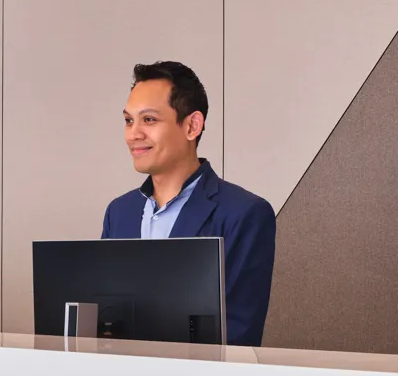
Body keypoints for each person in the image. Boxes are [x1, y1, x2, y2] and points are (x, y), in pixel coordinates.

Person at [100, 61, 276, 346]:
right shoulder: (119, 213)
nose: (133, 134)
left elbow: (238, 334)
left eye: (149, 120)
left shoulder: (244, 214)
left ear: (192, 125)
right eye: (128, 120)